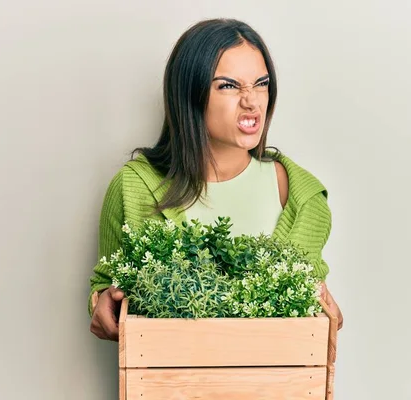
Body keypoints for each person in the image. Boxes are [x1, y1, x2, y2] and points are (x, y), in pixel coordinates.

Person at [89, 18, 343, 341]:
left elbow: (312, 306)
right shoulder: (132, 187)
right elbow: (105, 286)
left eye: (261, 83)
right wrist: (101, 303)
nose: (252, 101)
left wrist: (325, 319)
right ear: (190, 95)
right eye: (229, 85)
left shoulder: (300, 196)